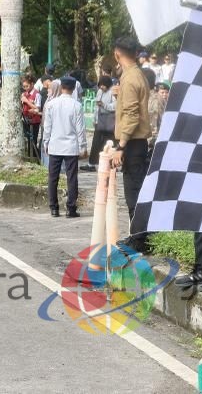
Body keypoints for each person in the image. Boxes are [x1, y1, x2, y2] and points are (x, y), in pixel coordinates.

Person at [112, 36, 152, 252]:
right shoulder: (137, 75)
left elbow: (131, 115)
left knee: (133, 192)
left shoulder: (129, 79)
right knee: (136, 190)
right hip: (138, 142)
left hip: (133, 143)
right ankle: (137, 236)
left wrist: (121, 146)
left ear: (117, 54)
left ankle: (139, 240)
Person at [41, 76, 87, 218]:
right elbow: (80, 129)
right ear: (73, 89)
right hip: (71, 147)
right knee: (71, 178)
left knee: (53, 177)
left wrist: (45, 142)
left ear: (61, 88)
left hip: (55, 145)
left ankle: (54, 208)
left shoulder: (51, 104)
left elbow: (47, 127)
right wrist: (83, 146)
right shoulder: (77, 106)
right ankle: (71, 209)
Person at [82, 75, 115, 172]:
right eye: (100, 85)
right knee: (96, 143)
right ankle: (92, 163)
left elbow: (115, 106)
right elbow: (96, 107)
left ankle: (108, 164)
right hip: (99, 120)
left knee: (108, 143)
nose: (101, 87)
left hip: (109, 121)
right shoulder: (100, 91)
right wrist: (94, 119)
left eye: (103, 85)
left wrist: (104, 105)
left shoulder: (112, 92)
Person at [21, 74, 42, 161]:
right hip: (25, 120)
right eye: (24, 86)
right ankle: (30, 157)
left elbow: (37, 108)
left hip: (34, 121)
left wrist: (27, 101)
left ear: (32, 84)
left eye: (27, 86)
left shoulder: (37, 94)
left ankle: (35, 158)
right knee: (28, 140)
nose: (25, 88)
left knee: (33, 141)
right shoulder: (24, 94)